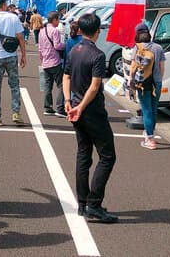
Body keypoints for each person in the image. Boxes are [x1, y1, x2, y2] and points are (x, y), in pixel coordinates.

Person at [63, 12, 118, 224]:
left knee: (83, 155)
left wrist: (69, 103)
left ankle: (82, 203)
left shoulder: (74, 50)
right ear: (97, 31)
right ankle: (94, 204)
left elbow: (66, 76)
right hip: (92, 112)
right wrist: (81, 107)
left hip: (75, 108)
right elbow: (95, 86)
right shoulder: (97, 54)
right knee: (107, 156)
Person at [127, 23, 166, 150]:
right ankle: (150, 132)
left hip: (142, 83)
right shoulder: (158, 48)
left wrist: (130, 80)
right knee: (153, 109)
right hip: (156, 83)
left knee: (146, 110)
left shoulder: (137, 48)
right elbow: (161, 68)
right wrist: (158, 80)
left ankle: (150, 139)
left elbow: (133, 67)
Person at [38, 11, 66, 116]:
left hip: (45, 61)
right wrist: (65, 45)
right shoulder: (55, 31)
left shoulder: (42, 31)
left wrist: (42, 59)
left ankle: (48, 107)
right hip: (55, 61)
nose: (59, 21)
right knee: (61, 85)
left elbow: (40, 48)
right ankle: (60, 108)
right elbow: (57, 46)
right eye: (58, 19)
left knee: (47, 86)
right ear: (54, 20)